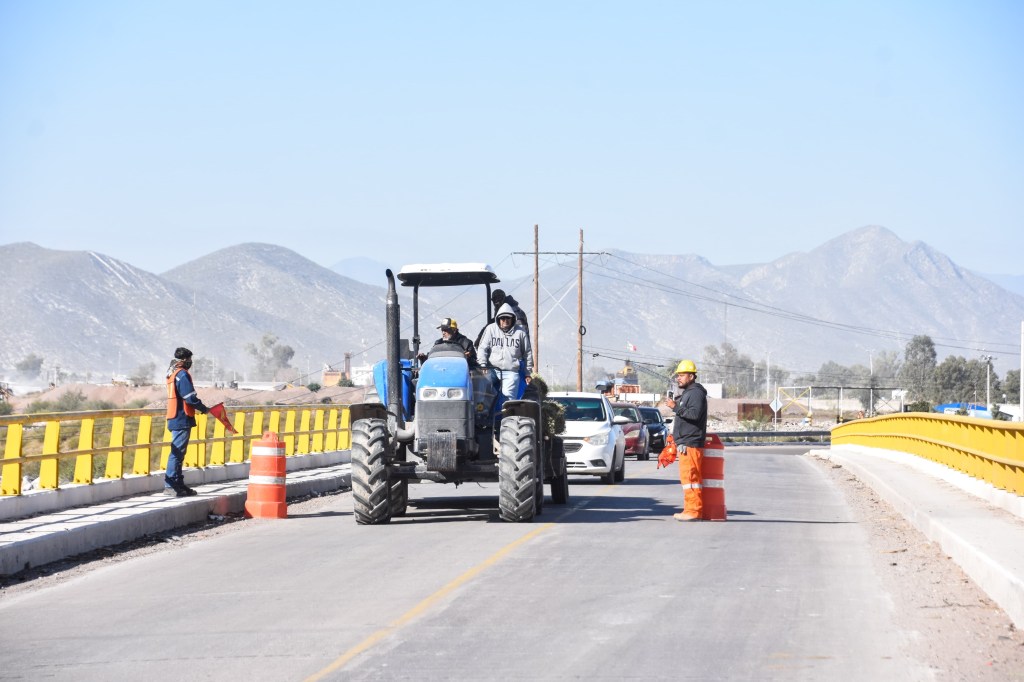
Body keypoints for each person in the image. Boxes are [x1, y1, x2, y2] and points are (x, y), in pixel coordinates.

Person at [665, 359, 708, 521]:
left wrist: (676, 408)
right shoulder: (689, 393)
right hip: (686, 443)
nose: (679, 378)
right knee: (688, 479)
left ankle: (693, 511)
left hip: (691, 443)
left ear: (691, 376)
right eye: (678, 375)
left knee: (691, 479)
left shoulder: (695, 393)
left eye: (682, 375)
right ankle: (691, 509)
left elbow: (694, 415)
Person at [164, 347, 210, 497]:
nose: (191, 362)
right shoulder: (182, 374)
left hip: (174, 416)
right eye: (189, 359)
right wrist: (203, 408)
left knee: (178, 453)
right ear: (184, 360)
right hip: (181, 417)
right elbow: (190, 397)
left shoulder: (172, 373)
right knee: (177, 454)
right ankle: (171, 486)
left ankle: (178, 485)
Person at [477, 304, 533, 402]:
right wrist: (483, 365)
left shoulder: (520, 332)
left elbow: (527, 353)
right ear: (498, 318)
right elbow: (482, 348)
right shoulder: (491, 329)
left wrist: (527, 373)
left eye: (508, 318)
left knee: (508, 399)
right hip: (492, 369)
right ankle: (484, 414)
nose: (505, 320)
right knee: (483, 393)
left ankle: (505, 416)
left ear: (512, 318)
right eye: (502, 318)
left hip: (510, 371)